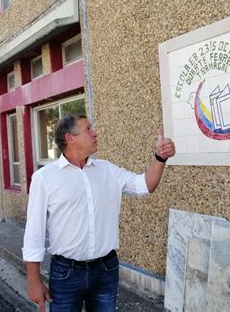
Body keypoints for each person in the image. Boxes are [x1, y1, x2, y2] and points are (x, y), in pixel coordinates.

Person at [22, 114, 175, 312]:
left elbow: (145, 185)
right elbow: (34, 232)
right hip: (66, 273)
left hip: (106, 269)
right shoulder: (44, 178)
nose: (95, 134)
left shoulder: (107, 170)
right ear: (70, 138)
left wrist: (160, 157)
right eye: (88, 129)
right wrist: (33, 281)